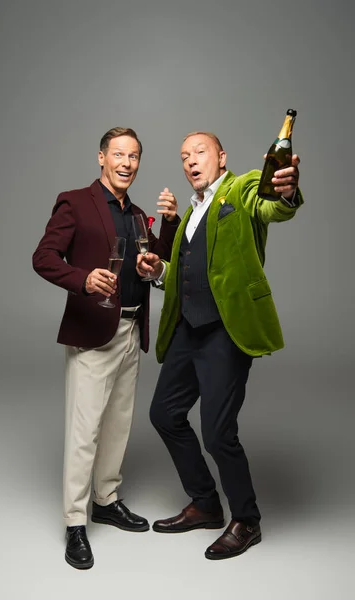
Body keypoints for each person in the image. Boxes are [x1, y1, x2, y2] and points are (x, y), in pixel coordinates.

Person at [136, 131, 303, 560]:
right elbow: (187, 272)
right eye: (183, 156)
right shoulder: (191, 213)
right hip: (186, 331)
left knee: (217, 432)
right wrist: (159, 270)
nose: (190, 160)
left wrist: (285, 191)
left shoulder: (242, 187)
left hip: (226, 332)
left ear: (221, 156)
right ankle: (206, 504)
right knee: (164, 414)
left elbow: (271, 204)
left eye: (200, 152)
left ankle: (246, 520)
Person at [32, 127, 179, 569]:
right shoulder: (75, 201)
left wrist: (168, 226)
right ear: (101, 157)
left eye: (134, 156)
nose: (127, 163)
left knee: (117, 425)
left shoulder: (135, 214)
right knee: (85, 432)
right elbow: (43, 257)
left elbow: (155, 259)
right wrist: (82, 279)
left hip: (132, 329)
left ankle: (106, 500)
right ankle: (75, 522)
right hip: (93, 331)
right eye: (119, 154)